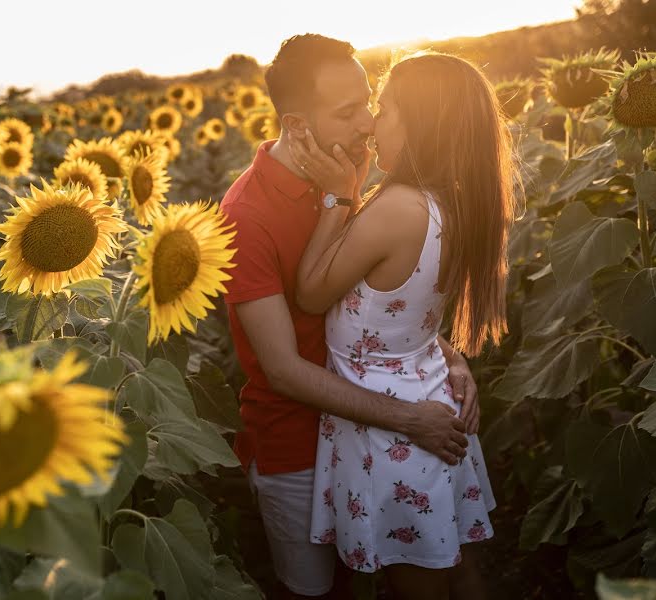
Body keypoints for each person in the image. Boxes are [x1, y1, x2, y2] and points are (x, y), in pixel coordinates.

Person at [219, 34, 480, 600]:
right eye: (348, 112)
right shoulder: (246, 216)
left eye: (370, 102)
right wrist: (411, 419)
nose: (367, 123)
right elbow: (284, 371)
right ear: (296, 125)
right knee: (322, 592)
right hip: (299, 446)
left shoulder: (358, 174)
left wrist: (448, 355)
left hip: (373, 431)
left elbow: (386, 305)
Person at [289, 50, 518, 600]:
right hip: (423, 395)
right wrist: (457, 359)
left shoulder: (396, 208)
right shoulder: (453, 202)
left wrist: (337, 198)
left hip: (390, 426)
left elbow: (311, 292)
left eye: (385, 110)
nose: (371, 125)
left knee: (419, 587)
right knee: (445, 571)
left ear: (422, 124)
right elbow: (404, 309)